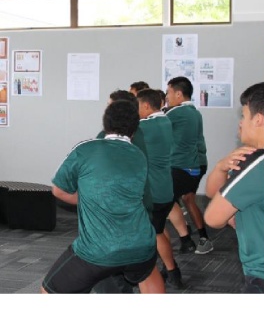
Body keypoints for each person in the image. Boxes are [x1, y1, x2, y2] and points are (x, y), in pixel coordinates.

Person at [42, 98, 163, 294]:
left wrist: (90, 199)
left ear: (105, 124)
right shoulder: (138, 155)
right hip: (142, 244)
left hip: (98, 250)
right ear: (134, 130)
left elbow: (59, 190)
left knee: (49, 290)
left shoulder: (85, 149)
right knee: (146, 272)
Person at [204, 83, 264, 293]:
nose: (241, 122)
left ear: (258, 119)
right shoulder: (252, 156)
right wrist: (221, 167)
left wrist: (228, 212)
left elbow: (213, 217)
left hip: (261, 271)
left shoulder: (258, 163)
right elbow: (213, 193)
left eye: (244, 115)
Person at [136, 87, 182, 289]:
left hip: (153, 192)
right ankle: (169, 268)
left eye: (137, 106)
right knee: (160, 230)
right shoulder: (165, 121)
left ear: (146, 106)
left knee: (153, 235)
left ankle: (172, 273)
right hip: (165, 188)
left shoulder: (146, 126)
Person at [164, 76, 212, 256]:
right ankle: (203, 238)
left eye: (168, 93)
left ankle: (185, 237)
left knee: (164, 199)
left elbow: (152, 123)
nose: (167, 97)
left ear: (178, 94)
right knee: (188, 198)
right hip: (198, 163)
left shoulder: (175, 113)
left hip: (184, 165)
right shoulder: (195, 112)